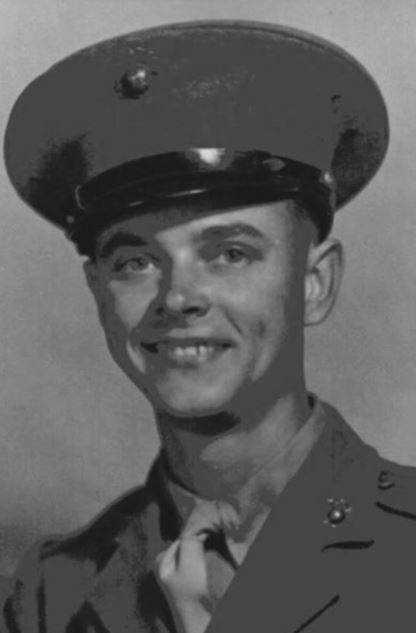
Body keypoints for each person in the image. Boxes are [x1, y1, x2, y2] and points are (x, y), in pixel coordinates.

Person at [2, 19, 416, 633]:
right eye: (136, 262)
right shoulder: (52, 594)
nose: (178, 297)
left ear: (315, 282)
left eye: (229, 253)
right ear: (97, 290)